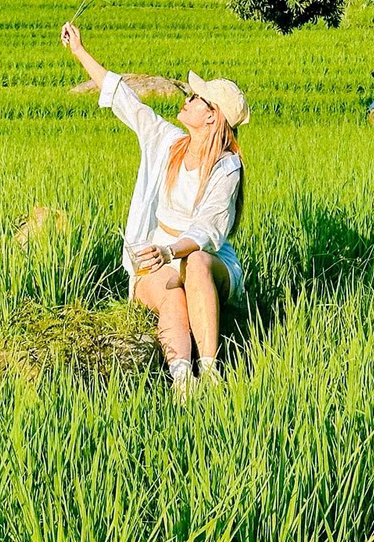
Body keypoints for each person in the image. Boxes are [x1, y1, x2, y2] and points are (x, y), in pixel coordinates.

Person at [60, 21, 248, 396]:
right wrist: (80, 51)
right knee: (171, 293)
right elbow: (124, 99)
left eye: (197, 98)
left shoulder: (228, 165)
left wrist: (168, 251)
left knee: (194, 264)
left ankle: (209, 373)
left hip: (206, 258)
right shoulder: (168, 141)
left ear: (212, 116)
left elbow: (208, 232)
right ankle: (182, 378)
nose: (188, 99)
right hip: (155, 255)